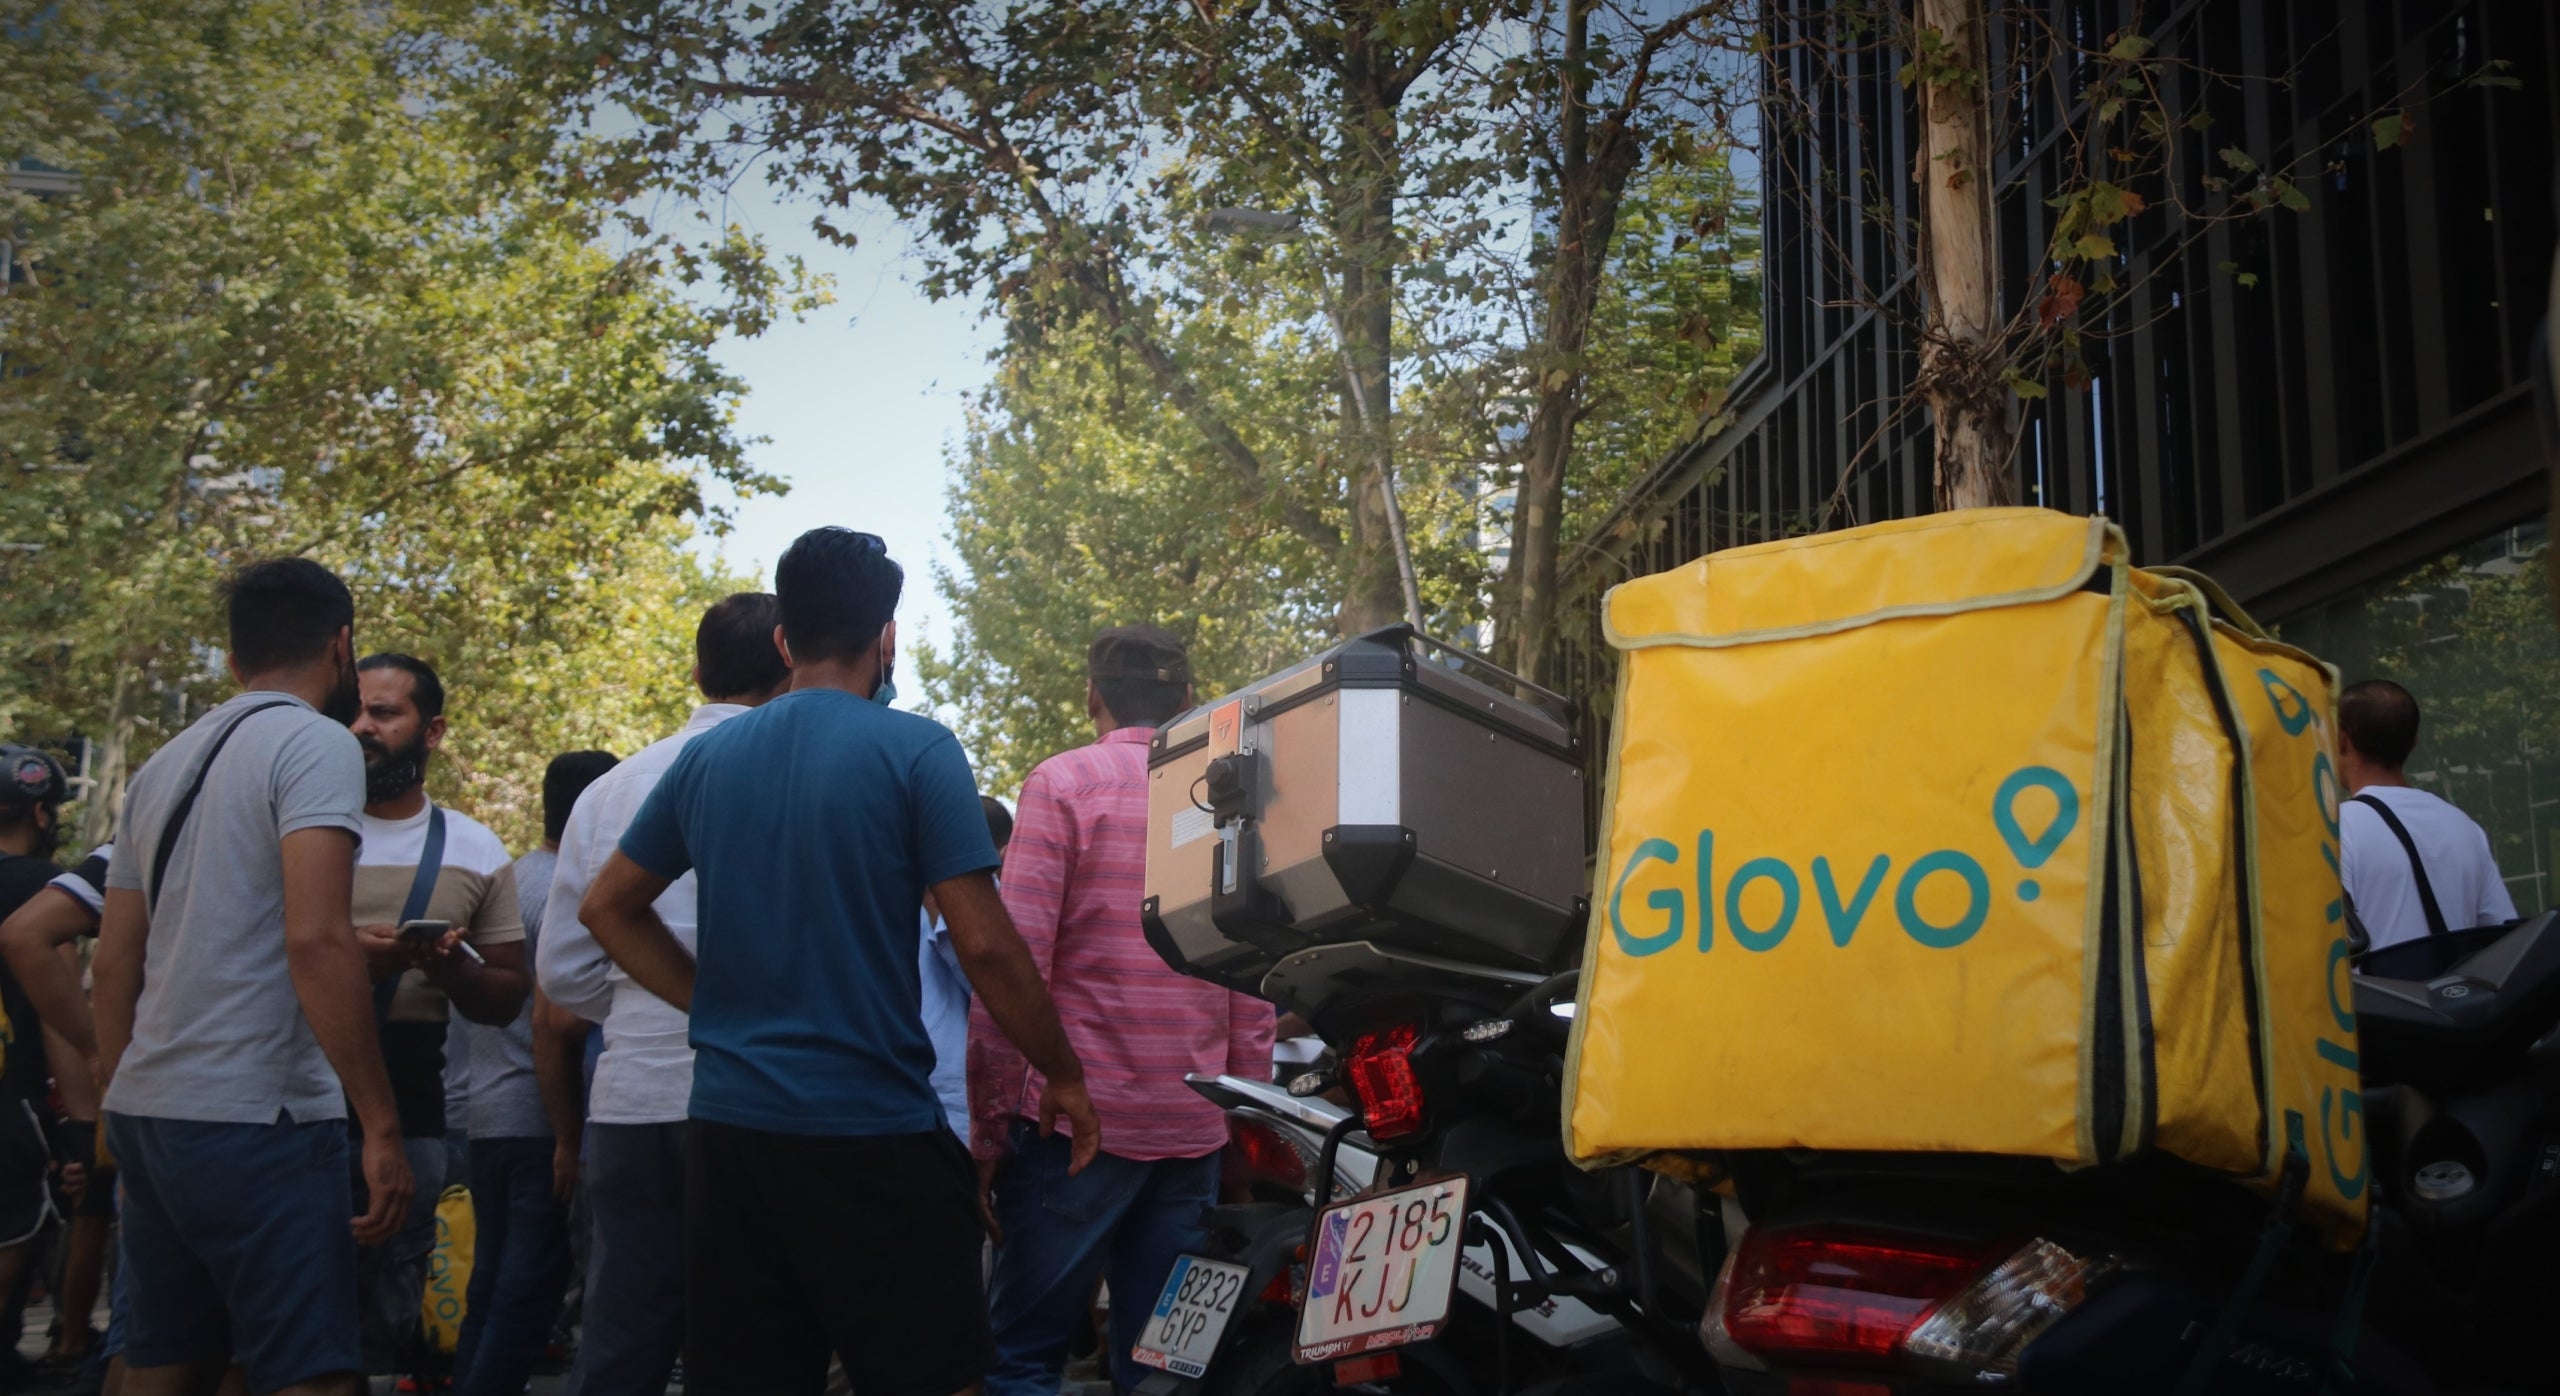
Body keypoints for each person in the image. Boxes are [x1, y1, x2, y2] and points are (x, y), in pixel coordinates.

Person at [580, 527, 1099, 1396]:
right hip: (872, 1138)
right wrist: (1064, 1075)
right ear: (886, 636)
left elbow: (607, 908)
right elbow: (983, 943)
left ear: (784, 640)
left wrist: (707, 1001)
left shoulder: (708, 758)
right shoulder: (917, 751)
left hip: (731, 1139)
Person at [96, 557, 411, 1396]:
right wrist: (379, 1124)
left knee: (165, 1359)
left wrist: (112, 1095)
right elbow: (317, 939)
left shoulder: (165, 762)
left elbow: (113, 956)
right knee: (313, 1372)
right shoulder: (315, 745)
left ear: (235, 662)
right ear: (342, 646)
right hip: (255, 1116)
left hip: (151, 1109)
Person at [969, 626, 1275, 1396]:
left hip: (1070, 1131)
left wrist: (988, 1127)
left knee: (1023, 1360)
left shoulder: (1063, 784)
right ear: (1187, 699)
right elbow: (1251, 979)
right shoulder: (1235, 797)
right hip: (1190, 1133)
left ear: (1092, 697)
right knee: (1166, 1368)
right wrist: (1242, 1122)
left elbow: (1017, 962)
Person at [536, 593, 789, 1396]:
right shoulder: (797, 777)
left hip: (634, 1101)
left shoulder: (612, 790)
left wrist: (643, 1006)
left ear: (695, 672)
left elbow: (565, 973)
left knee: (623, 1335)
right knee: (754, 1337)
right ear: (791, 656)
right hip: (763, 1101)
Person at [341, 653, 530, 1380]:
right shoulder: (301, 835)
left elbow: (508, 994)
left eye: (384, 713)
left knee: (390, 1333)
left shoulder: (476, 850)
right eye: (353, 712)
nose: (361, 727)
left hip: (413, 1122)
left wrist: (452, 966)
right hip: (289, 1117)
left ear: (434, 731)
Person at [450, 749, 616, 1396]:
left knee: (491, 1283)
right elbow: (557, 1021)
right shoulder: (567, 893)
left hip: (483, 1114)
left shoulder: (509, 879)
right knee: (528, 1288)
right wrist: (570, 1141)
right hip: (540, 1123)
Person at [0, 836, 116, 1380]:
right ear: (43, 812)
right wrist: (82, 1118)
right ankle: (65, 1339)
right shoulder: (31, 885)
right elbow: (55, 1002)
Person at [2337, 678, 2518, 951]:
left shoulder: (2339, 827)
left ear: (2341, 741)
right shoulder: (2464, 826)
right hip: (2457, 990)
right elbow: (2505, 937)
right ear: (2413, 743)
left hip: (2378, 993)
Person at [921, 798, 1014, 1138]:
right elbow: (995, 987)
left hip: (903, 1098)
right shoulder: (989, 900)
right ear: (1005, 852)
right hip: (956, 1105)